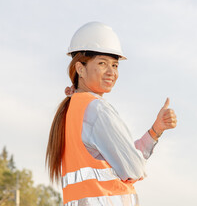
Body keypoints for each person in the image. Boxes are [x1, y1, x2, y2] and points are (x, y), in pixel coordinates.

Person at [45, 22, 177, 206]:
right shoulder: (96, 109)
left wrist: (155, 130)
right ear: (80, 68)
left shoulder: (72, 108)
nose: (111, 72)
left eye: (115, 65)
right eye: (102, 63)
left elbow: (121, 157)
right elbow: (134, 169)